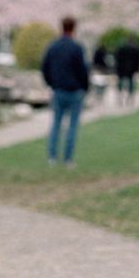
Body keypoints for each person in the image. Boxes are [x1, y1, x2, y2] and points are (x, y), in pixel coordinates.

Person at [41, 16, 89, 166]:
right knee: (72, 127)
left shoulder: (53, 46)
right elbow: (83, 70)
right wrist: (85, 87)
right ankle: (68, 159)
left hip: (59, 90)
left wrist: (51, 83)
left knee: (56, 125)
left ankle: (52, 157)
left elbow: (44, 67)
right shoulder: (77, 48)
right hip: (74, 91)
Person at [114, 35, 139, 106]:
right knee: (131, 83)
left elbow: (116, 58)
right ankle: (130, 98)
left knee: (121, 82)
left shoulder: (121, 47)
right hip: (131, 69)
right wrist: (138, 69)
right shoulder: (136, 48)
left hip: (121, 69)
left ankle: (120, 97)